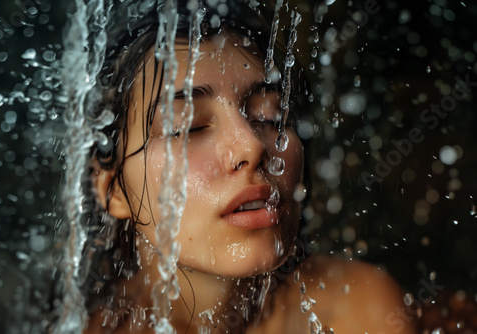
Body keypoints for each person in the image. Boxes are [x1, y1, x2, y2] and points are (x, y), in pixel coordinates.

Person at [83, 1, 418, 333]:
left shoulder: (360, 311)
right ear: (114, 189)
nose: (252, 145)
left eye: (269, 115)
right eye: (189, 127)